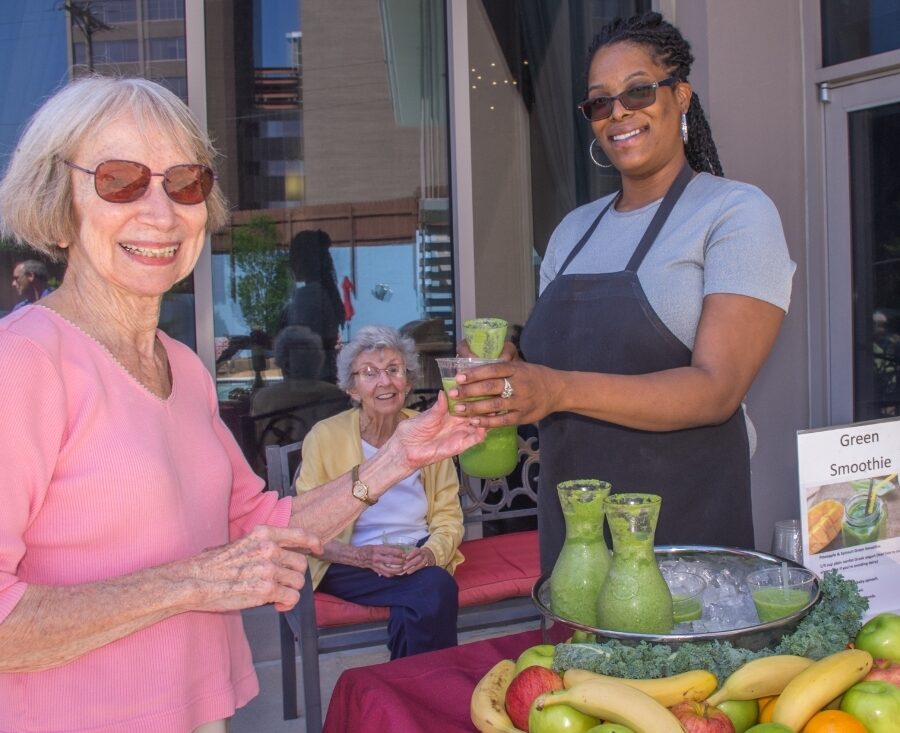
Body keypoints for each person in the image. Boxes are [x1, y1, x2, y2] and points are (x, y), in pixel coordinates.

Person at [0, 76, 484, 733]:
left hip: (199, 712)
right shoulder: (25, 362)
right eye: (120, 180)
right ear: (59, 205)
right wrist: (188, 583)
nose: (162, 211)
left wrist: (402, 453)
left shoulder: (184, 369)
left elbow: (259, 523)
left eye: (184, 182)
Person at [452, 12, 795, 571]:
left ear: (680, 96)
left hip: (688, 537)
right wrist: (509, 371)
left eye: (638, 91)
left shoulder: (735, 212)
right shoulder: (573, 231)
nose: (618, 114)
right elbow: (555, 375)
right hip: (576, 543)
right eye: (599, 102)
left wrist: (554, 387)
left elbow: (717, 390)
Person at [295, 325, 464, 659]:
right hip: (347, 561)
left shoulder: (427, 429)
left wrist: (430, 553)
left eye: (393, 370)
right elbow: (306, 528)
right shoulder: (324, 436)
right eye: (369, 373)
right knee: (434, 589)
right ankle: (429, 691)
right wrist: (364, 556)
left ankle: (400, 696)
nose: (384, 382)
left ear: (408, 381)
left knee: (416, 598)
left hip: (416, 555)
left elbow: (448, 515)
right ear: (353, 388)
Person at [249, 325, 350, 468]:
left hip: (272, 478)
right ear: (317, 360)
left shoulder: (262, 398)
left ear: (281, 361)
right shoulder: (336, 395)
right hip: (327, 475)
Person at [279, 229, 346, 382]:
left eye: (294, 258)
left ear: (306, 261)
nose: (291, 264)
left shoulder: (309, 296)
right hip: (326, 376)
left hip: (311, 381)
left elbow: (302, 344)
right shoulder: (325, 292)